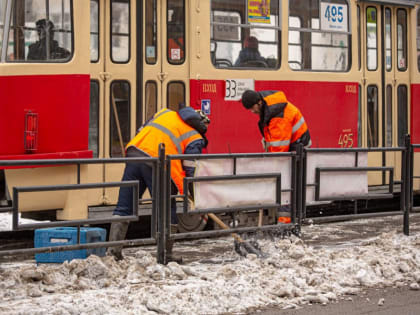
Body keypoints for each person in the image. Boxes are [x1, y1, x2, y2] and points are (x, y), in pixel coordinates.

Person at [108, 106, 210, 261]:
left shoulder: (165, 113)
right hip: (158, 164)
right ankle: (166, 255)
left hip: (135, 153)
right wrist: (193, 192)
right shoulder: (195, 136)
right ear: (201, 125)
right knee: (167, 210)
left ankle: (113, 253)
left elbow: (142, 129)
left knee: (124, 205)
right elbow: (190, 168)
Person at [241, 90, 311, 224]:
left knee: (286, 186)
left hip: (296, 149)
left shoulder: (278, 115)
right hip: (291, 149)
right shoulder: (269, 109)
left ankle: (286, 223)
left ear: (259, 103)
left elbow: (280, 146)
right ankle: (289, 221)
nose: (252, 112)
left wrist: (271, 161)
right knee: (286, 186)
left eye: (252, 108)